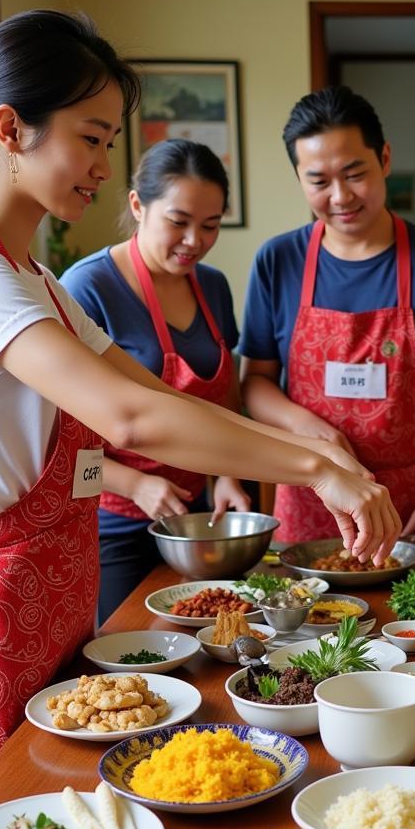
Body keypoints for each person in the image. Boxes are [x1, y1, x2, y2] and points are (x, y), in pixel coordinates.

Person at [0, 10, 400, 793]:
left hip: (50, 600)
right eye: (91, 137)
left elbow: (158, 394)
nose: (106, 166)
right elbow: (130, 420)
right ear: (11, 127)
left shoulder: (32, 279)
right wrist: (318, 470)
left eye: (111, 142)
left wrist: (319, 461)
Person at [238, 85, 415, 540]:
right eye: (318, 181)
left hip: (414, 504)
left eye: (354, 173)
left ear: (385, 159)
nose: (340, 196)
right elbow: (254, 381)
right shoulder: (278, 261)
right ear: (299, 179)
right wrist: (306, 425)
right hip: (309, 495)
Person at [63, 139, 250, 623]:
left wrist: (227, 472)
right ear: (137, 205)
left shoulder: (212, 285)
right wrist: (135, 484)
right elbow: (57, 435)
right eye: (178, 222)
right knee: (128, 651)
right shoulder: (88, 288)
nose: (195, 240)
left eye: (210, 226)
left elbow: (224, 393)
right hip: (113, 522)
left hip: (198, 518)